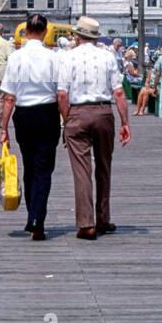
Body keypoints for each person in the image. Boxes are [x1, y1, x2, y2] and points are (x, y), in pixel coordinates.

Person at [57, 16, 130, 240]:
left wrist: (67, 119)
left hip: (77, 112)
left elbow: (62, 93)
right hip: (103, 113)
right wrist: (125, 122)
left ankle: (86, 223)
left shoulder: (68, 57)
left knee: (82, 171)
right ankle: (103, 218)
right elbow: (118, 92)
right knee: (104, 167)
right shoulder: (108, 56)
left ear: (77, 35)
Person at [0, 14, 62, 240]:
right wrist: (66, 118)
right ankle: (37, 220)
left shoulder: (16, 57)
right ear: (45, 32)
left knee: (29, 166)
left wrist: (3, 127)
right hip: (47, 112)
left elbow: (8, 98)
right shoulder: (54, 57)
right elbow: (61, 93)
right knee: (44, 169)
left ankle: (32, 215)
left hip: (24, 115)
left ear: (25, 31)